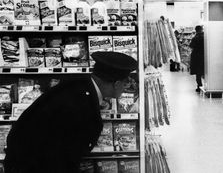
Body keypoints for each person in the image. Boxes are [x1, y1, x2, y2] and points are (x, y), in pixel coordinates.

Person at [4, 52, 138, 173]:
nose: (126, 87)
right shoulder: (79, 103)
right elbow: (62, 155)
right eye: (126, 83)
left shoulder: (81, 88)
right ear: (116, 84)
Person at [190, 25, 204, 92]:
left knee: (198, 73)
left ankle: (199, 86)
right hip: (204, 56)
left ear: (196, 30)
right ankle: (208, 86)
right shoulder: (205, 37)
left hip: (196, 57)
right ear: (201, 29)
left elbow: (191, 46)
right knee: (204, 72)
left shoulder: (195, 38)